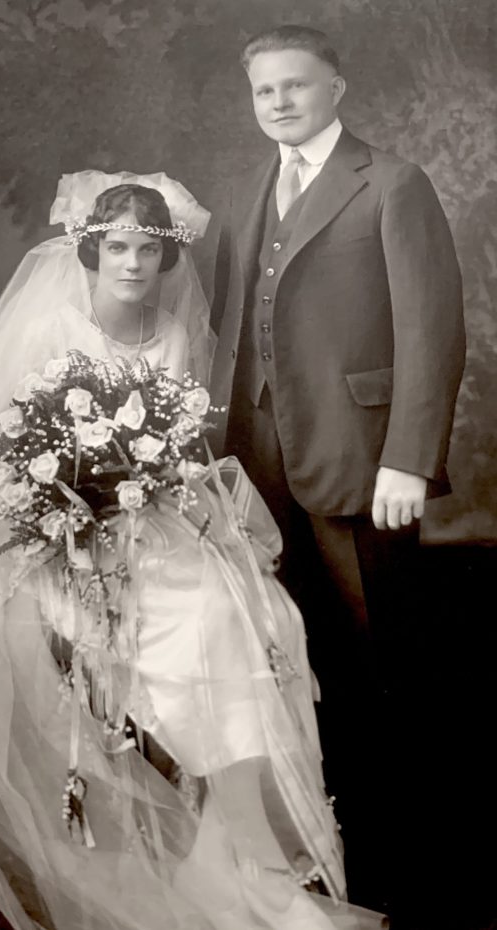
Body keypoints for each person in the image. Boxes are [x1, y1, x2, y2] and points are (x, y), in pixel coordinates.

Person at [0, 171, 383, 930]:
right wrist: (71, 518)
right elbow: (5, 458)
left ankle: (243, 859)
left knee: (251, 617)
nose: (133, 265)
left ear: (166, 258)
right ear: (92, 252)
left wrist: (177, 491)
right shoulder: (52, 331)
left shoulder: (171, 333)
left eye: (146, 250)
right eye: (118, 249)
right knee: (191, 631)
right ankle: (249, 859)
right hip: (65, 539)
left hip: (155, 523)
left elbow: (176, 453)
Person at [210, 24, 466, 910]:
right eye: (263, 91)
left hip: (362, 465)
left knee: (380, 671)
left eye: (295, 86)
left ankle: (409, 874)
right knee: (291, 664)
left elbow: (433, 332)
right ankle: (327, 865)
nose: (278, 102)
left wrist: (409, 459)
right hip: (261, 465)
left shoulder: (393, 183)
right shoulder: (254, 189)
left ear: (337, 89)